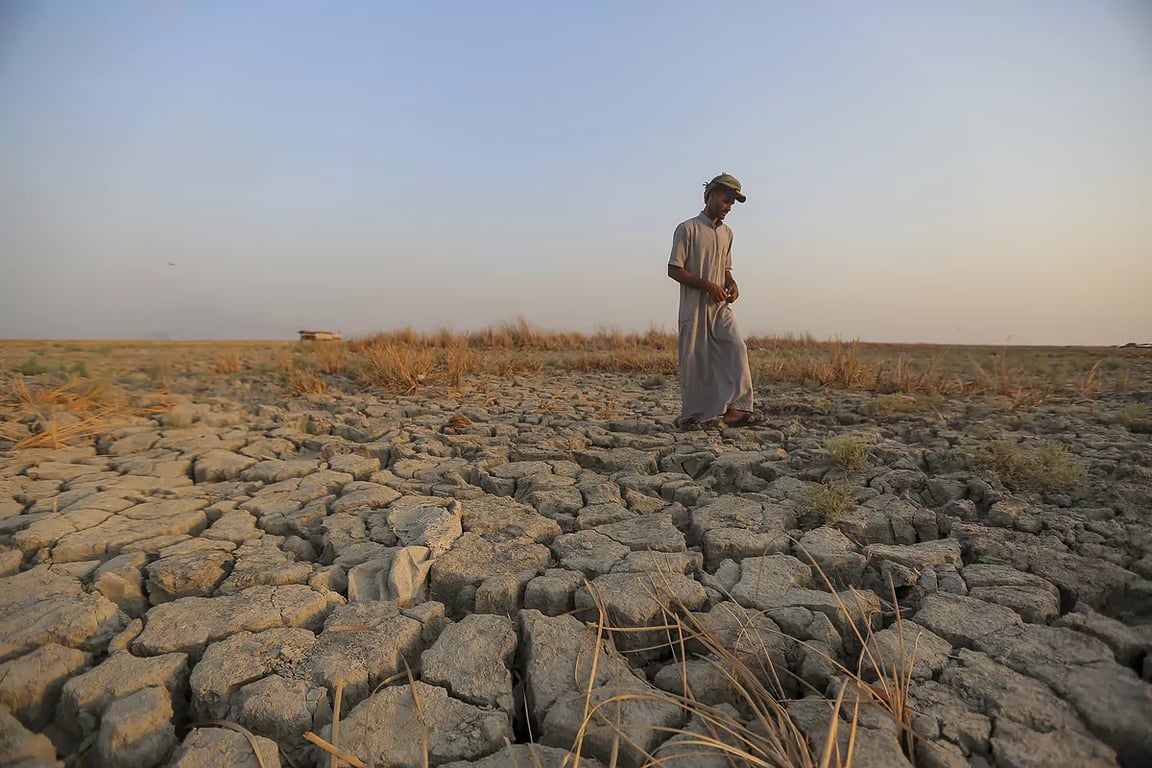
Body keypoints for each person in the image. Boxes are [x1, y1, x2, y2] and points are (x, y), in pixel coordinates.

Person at [667, 173, 756, 428]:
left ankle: (739, 408)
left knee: (736, 347)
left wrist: (731, 283)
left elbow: (725, 268)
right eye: (726, 201)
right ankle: (695, 416)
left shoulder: (727, 234)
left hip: (719, 307)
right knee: (696, 359)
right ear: (712, 195)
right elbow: (674, 269)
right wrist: (707, 285)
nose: (728, 208)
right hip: (694, 306)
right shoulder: (688, 229)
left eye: (732, 204)